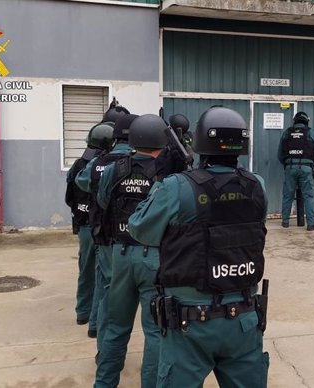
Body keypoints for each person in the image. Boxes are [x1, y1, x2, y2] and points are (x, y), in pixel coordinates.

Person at [128, 107, 270, 388]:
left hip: (190, 323)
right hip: (244, 318)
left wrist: (164, 181)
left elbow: (140, 229)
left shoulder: (178, 186)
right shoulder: (258, 185)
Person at [94, 114, 168, 388]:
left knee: (115, 329)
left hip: (120, 255)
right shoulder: (166, 173)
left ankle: (103, 384)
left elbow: (103, 200)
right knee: (156, 333)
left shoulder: (114, 168)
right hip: (155, 259)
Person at [75, 103, 135, 360]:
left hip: (102, 234)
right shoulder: (138, 163)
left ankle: (95, 328)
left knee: (104, 284)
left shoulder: (97, 162)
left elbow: (81, 182)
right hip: (133, 239)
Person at [65, 122, 114, 338]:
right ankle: (95, 320)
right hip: (103, 229)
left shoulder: (79, 165)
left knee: (85, 270)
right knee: (104, 276)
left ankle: (82, 313)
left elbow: (69, 197)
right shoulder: (114, 166)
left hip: (85, 226)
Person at [277, 111, 314, 231]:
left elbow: (280, 154)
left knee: (287, 195)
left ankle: (285, 222)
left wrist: (288, 164)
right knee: (308, 196)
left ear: (295, 120)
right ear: (307, 121)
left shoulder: (287, 133)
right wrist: (311, 162)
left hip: (290, 167)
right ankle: (311, 224)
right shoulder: (312, 132)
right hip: (306, 168)